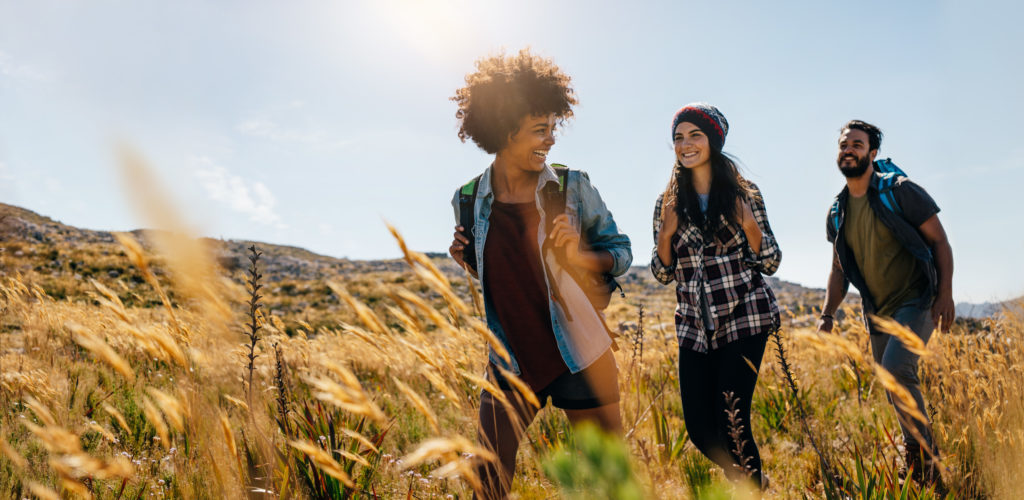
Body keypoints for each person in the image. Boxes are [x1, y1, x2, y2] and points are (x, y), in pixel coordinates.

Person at [447, 49, 632, 499]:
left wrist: (582, 257)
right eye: (538, 130)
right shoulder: (469, 199)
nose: (550, 140)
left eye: (553, 128)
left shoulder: (572, 187)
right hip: (510, 357)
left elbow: (620, 252)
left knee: (610, 483)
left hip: (580, 351)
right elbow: (505, 272)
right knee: (488, 479)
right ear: (504, 128)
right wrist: (466, 259)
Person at [651, 103, 781, 489]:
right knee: (699, 429)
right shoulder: (668, 203)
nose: (685, 144)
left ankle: (750, 489)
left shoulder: (745, 194)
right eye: (678, 137)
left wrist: (750, 226)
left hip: (744, 319)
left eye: (695, 135)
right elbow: (662, 273)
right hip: (693, 328)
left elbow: (771, 261)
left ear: (714, 141)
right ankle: (753, 482)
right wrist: (665, 236)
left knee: (733, 422)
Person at [817, 120, 953, 486]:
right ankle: (916, 459)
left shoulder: (901, 191)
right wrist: (827, 313)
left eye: (857, 144)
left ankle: (928, 463)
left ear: (872, 153)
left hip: (917, 299)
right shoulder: (838, 211)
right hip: (877, 312)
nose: (849, 149)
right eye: (844, 144)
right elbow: (838, 268)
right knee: (893, 384)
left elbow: (940, 242)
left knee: (897, 370)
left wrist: (945, 294)